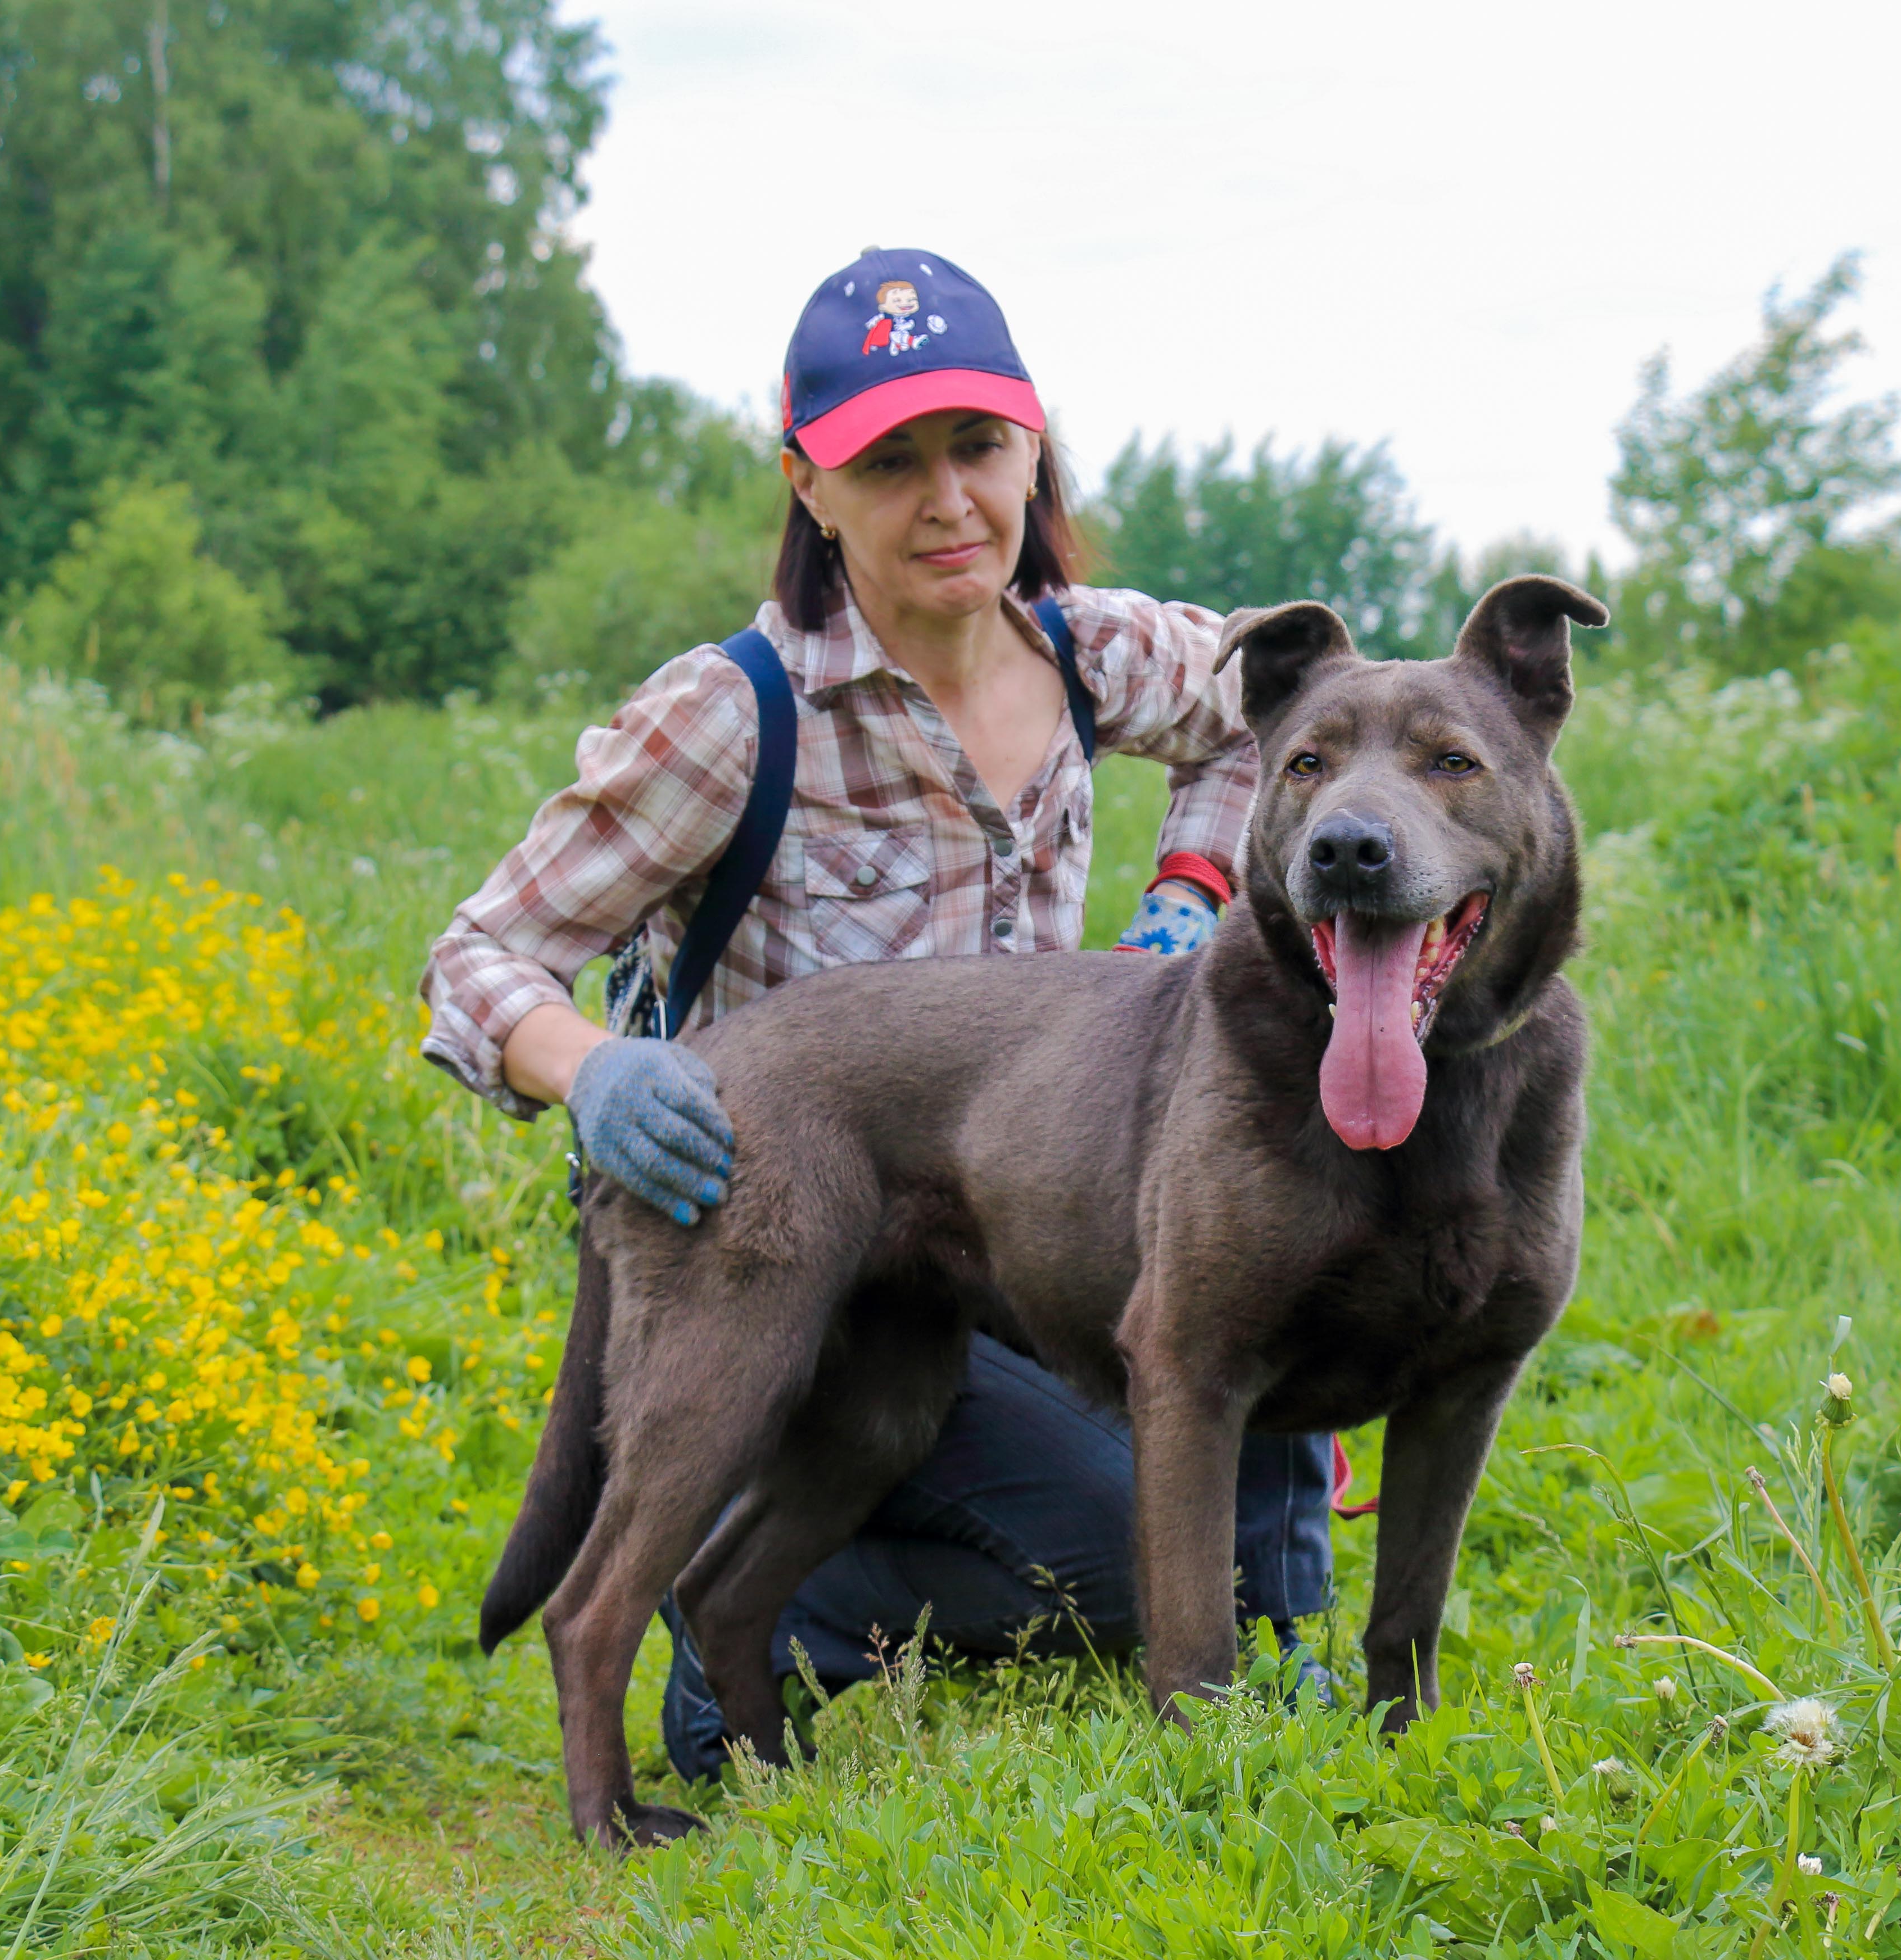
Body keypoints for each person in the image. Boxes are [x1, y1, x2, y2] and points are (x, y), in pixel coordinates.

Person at [420, 248, 1332, 1784]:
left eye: (978, 448)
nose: (950, 502)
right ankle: (753, 1616)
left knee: (1263, 1314)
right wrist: (590, 1070)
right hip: (789, 1233)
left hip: (1011, 1206)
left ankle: (1284, 1677)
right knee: (1127, 1552)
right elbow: (480, 952)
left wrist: (1190, 891)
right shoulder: (733, 716)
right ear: (810, 488)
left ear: (1034, 445)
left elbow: (1287, 722)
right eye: (887, 463)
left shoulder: (1097, 652)